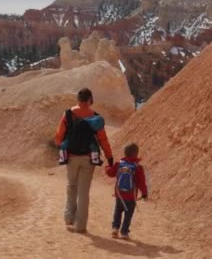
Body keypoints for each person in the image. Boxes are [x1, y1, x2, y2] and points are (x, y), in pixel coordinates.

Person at [55, 88, 113, 233]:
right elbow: (102, 139)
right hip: (88, 158)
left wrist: (63, 146)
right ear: (89, 100)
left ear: (78, 99)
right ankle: (80, 225)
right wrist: (109, 156)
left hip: (71, 157)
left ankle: (68, 217)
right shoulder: (95, 117)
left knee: (71, 186)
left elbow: (59, 136)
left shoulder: (68, 114)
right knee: (83, 192)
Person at [105, 142, 148, 240]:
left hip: (119, 194)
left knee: (117, 211)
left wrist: (107, 167)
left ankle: (115, 228)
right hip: (131, 196)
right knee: (128, 215)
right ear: (136, 154)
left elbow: (110, 173)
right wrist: (144, 193)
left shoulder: (119, 164)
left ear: (124, 153)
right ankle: (124, 232)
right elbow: (141, 182)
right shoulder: (138, 167)